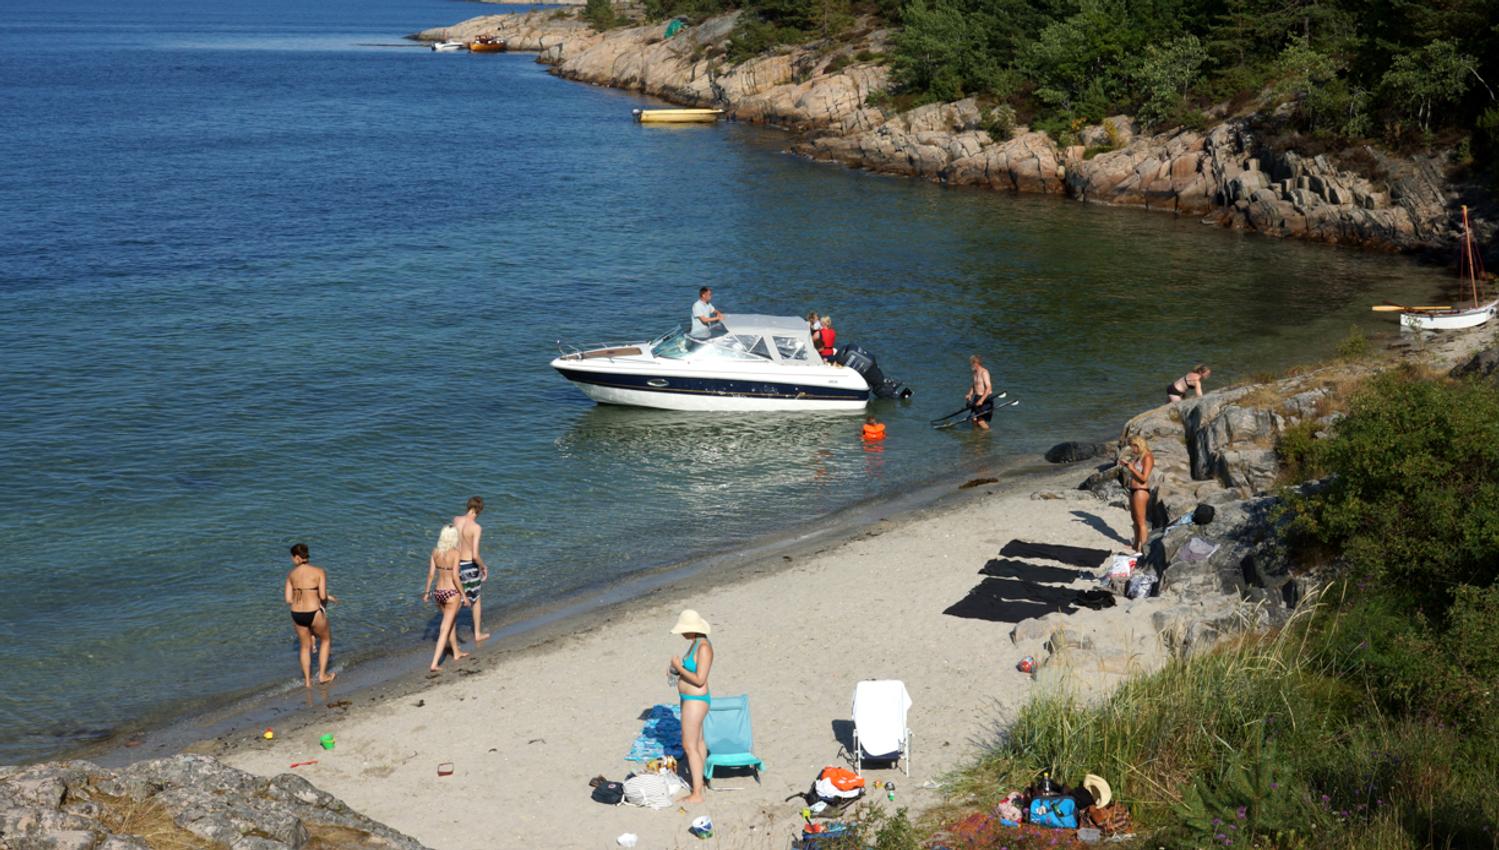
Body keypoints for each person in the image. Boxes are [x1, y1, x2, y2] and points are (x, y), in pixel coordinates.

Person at [669, 609, 714, 804]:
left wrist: (679, 668)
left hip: (696, 700)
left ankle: (697, 794)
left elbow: (700, 678)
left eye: (684, 630)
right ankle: (700, 782)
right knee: (699, 742)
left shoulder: (703, 648)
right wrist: (676, 671)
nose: (682, 633)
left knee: (689, 745)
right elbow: (691, 671)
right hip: (690, 698)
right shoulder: (695, 644)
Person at [283, 542, 336, 687]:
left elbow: (288, 599)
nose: (292, 560)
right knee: (325, 640)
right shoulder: (319, 571)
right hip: (314, 612)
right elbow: (323, 596)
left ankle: (307, 681)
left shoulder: (291, 575)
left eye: (292, 558)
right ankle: (323, 676)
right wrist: (326, 597)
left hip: (297, 614)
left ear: (296, 558)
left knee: (304, 647)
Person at [422, 524, 470, 672]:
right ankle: (434, 664)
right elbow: (455, 577)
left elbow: (431, 574)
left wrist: (426, 592)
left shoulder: (435, 552)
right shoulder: (455, 553)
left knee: (451, 623)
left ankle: (456, 652)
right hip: (451, 593)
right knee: (445, 628)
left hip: (438, 593)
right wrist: (464, 596)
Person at [452, 496, 491, 642]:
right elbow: (475, 555)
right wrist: (483, 566)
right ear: (479, 510)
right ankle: (477, 634)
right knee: (476, 600)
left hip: (455, 564)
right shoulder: (476, 527)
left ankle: (450, 635)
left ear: (468, 506)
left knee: (456, 600)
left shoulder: (456, 520)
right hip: (469, 565)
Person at [1120, 436, 1154, 553]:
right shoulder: (1139, 457)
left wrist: (1132, 468)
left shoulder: (1148, 457)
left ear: (1138, 445)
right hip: (1134, 490)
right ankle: (1135, 545)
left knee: (1141, 522)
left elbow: (1144, 478)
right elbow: (1135, 472)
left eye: (1133, 446)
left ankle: (1143, 549)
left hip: (1141, 490)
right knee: (1134, 519)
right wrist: (1127, 465)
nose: (1132, 449)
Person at [964, 354, 994, 431]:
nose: (970, 365)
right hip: (977, 398)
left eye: (971, 363)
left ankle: (988, 434)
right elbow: (974, 385)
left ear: (976, 363)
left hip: (985, 399)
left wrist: (981, 400)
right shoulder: (975, 372)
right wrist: (970, 394)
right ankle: (977, 436)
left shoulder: (984, 372)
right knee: (973, 418)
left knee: (980, 420)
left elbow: (989, 387)